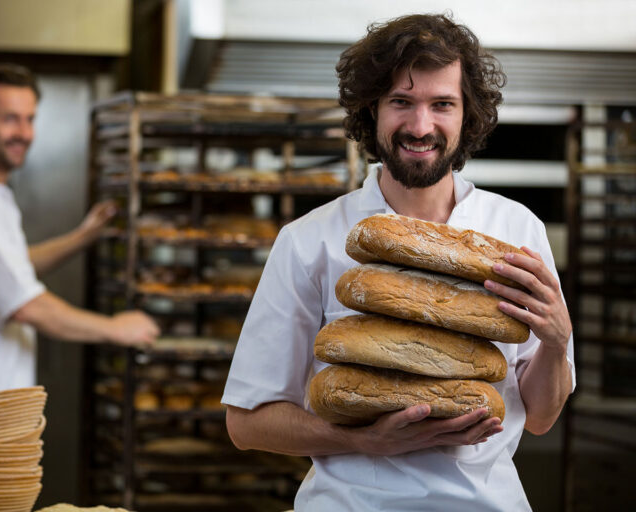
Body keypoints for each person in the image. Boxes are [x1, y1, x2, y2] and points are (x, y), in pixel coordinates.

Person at [222, 13, 574, 511]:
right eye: (401, 102)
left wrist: (557, 343)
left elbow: (539, 417)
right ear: (372, 111)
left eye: (442, 104)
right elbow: (246, 423)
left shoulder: (518, 232)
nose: (420, 125)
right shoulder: (309, 240)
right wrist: (360, 441)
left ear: (467, 113)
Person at [0, 64, 160, 403]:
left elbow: (6, 268)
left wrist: (82, 236)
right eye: (10, 119)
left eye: (30, 119)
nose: (25, 132)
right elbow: (25, 306)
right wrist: (114, 329)